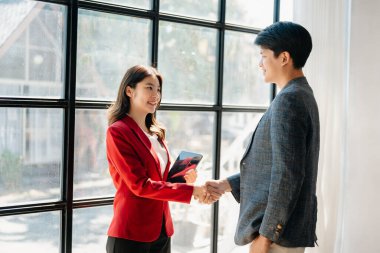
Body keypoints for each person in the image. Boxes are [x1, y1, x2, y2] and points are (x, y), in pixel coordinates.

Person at [206, 21, 320, 253]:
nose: (260, 63)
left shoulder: (290, 100)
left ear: (284, 58)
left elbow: (287, 175)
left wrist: (266, 236)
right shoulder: (299, 94)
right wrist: (226, 185)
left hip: (278, 236)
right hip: (283, 232)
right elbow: (273, 166)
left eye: (264, 55)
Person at [105, 65, 208, 253]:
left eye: (158, 89)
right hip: (132, 233)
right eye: (149, 87)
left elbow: (159, 181)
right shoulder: (118, 132)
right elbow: (140, 185)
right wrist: (191, 191)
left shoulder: (156, 132)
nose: (156, 94)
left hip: (161, 230)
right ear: (129, 90)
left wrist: (182, 179)